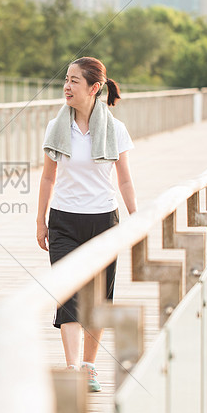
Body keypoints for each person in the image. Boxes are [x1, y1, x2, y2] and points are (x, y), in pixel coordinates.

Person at [36, 56, 137, 392]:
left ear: (94, 88)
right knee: (68, 296)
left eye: (74, 81)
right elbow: (48, 178)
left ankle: (90, 367)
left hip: (103, 221)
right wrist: (41, 220)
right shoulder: (56, 127)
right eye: (65, 79)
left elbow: (124, 181)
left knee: (96, 300)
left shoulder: (115, 130)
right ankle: (72, 367)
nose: (67, 86)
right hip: (64, 221)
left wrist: (136, 219)